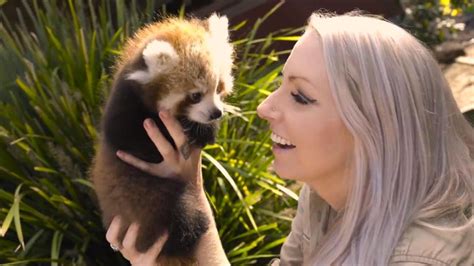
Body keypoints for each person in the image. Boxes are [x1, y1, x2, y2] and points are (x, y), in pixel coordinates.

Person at [106, 12, 474, 265]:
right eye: (282, 83)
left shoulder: (418, 257)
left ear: (374, 125)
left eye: (300, 96)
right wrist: (193, 197)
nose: (264, 108)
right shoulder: (327, 199)